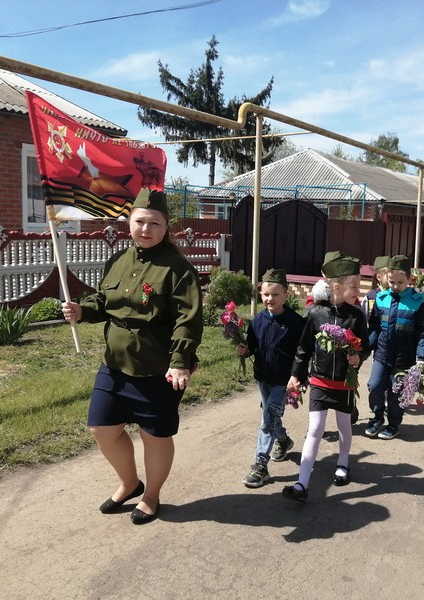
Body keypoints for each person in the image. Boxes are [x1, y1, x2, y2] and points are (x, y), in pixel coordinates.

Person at [61, 189, 203, 525]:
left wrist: (180, 361)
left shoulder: (179, 269)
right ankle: (129, 483)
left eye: (155, 223)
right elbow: (104, 302)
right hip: (114, 364)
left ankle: (151, 495)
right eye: (140, 221)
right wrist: (83, 310)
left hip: (158, 368)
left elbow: (188, 320)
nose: (146, 229)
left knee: (154, 435)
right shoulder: (118, 261)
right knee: (101, 428)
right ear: (129, 223)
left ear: (166, 227)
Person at [283, 252, 370, 502]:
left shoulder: (357, 316)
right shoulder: (315, 313)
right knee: (315, 429)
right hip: (320, 381)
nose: (358, 291)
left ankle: (342, 464)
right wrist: (296, 375)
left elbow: (366, 346)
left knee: (344, 426)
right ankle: (302, 483)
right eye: (354, 286)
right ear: (336, 287)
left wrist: (359, 357)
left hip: (344, 382)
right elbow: (303, 348)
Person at [238, 269, 305, 488]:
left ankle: (260, 466)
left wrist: (297, 376)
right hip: (263, 378)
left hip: (283, 381)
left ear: (286, 294)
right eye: (266, 294)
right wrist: (244, 349)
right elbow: (252, 346)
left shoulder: (295, 322)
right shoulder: (257, 320)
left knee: (267, 420)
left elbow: (302, 353)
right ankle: (283, 440)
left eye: (275, 294)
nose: (270, 299)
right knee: (271, 416)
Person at [365, 255, 424, 440]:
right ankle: (377, 417)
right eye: (391, 281)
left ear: (409, 279)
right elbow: (374, 327)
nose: (395, 286)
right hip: (381, 354)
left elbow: (423, 334)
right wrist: (365, 347)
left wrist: (422, 358)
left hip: (404, 358)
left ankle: (393, 424)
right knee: (375, 386)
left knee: (396, 392)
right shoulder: (381, 299)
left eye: (400, 282)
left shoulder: (417, 302)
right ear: (386, 278)